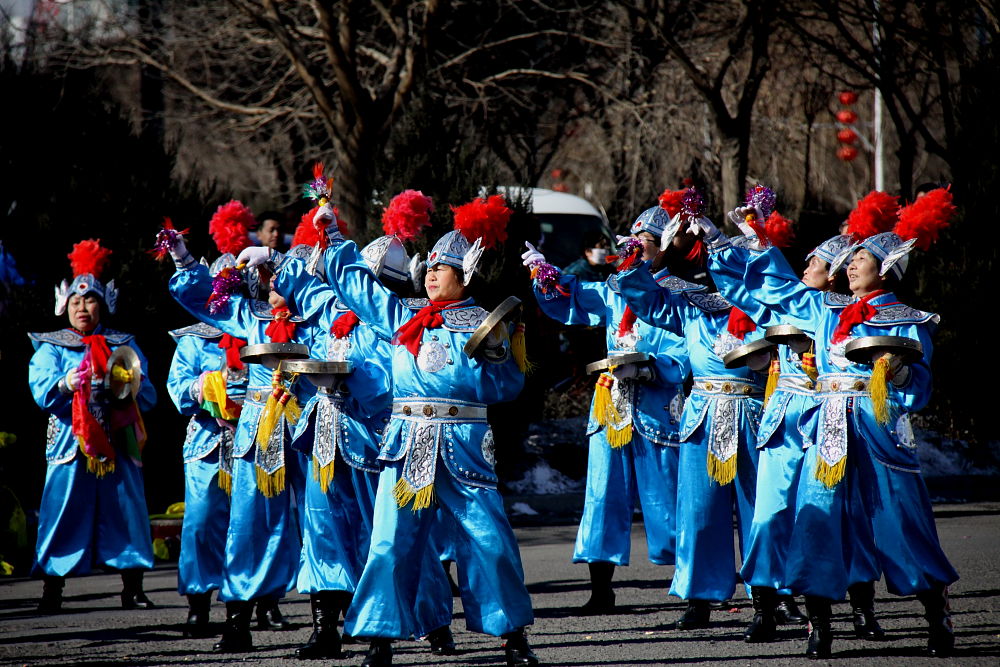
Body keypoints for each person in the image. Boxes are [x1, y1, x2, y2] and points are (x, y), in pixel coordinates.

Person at [249, 194, 539, 667]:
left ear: (464, 276)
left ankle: (513, 637)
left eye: (442, 269)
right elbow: (357, 287)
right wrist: (334, 235)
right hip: (406, 444)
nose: (430, 274)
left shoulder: (485, 327)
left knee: (489, 540)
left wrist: (493, 360)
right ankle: (379, 639)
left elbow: (506, 387)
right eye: (429, 268)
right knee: (389, 539)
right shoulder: (402, 318)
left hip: (464, 446)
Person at [695, 189, 958, 658]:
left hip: (878, 428)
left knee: (900, 521)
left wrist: (895, 369)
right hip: (829, 428)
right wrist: (749, 240)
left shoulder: (909, 320)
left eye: (862, 258)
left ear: (888, 268)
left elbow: (919, 386)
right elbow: (773, 290)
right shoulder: (825, 309)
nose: (852, 265)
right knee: (817, 519)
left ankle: (935, 612)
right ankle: (820, 624)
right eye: (851, 258)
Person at [238, 199, 455, 659]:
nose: (347, 286)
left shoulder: (399, 322)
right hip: (324, 435)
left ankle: (433, 620)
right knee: (321, 530)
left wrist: (352, 377)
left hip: (377, 441)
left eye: (358, 280)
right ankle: (326, 629)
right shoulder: (329, 309)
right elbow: (303, 284)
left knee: (392, 535)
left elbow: (391, 384)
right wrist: (271, 258)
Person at [615, 216, 789, 631]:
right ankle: (699, 597)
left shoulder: (759, 305)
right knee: (698, 510)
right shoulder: (690, 308)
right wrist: (656, 258)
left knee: (759, 511)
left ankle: (767, 599)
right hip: (702, 416)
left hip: (751, 413)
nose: (712, 267)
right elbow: (646, 298)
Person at [521, 205, 689, 616]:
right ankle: (601, 590)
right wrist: (547, 276)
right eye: (630, 245)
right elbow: (575, 298)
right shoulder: (614, 290)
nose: (634, 252)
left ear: (663, 248)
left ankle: (691, 585)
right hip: (612, 405)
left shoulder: (680, 294)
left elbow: (690, 351)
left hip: (657, 407)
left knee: (669, 495)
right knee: (602, 496)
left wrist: (653, 367)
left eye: (643, 245)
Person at [160, 202, 313, 652]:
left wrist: (284, 258)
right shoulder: (239, 320)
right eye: (259, 277)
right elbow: (198, 305)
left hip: (294, 431)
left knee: (305, 520)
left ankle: (307, 611)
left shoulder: (304, 318)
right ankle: (224, 612)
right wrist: (185, 261)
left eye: (269, 275)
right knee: (226, 523)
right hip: (232, 436)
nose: (263, 283)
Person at [28, 239, 157, 613]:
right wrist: (68, 383)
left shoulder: (123, 344)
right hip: (71, 440)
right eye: (76, 302)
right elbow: (42, 391)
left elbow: (145, 392)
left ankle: (133, 586)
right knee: (61, 508)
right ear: (64, 305)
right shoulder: (51, 346)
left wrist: (124, 383)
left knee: (126, 509)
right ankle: (52, 588)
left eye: (90, 300)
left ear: (104, 304)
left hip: (118, 438)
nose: (83, 308)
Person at [166, 314, 248, 636]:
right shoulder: (193, 340)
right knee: (199, 524)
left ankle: (249, 606)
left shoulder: (258, 329)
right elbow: (177, 387)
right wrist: (201, 386)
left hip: (253, 440)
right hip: (207, 444)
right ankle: (198, 604)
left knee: (247, 525)